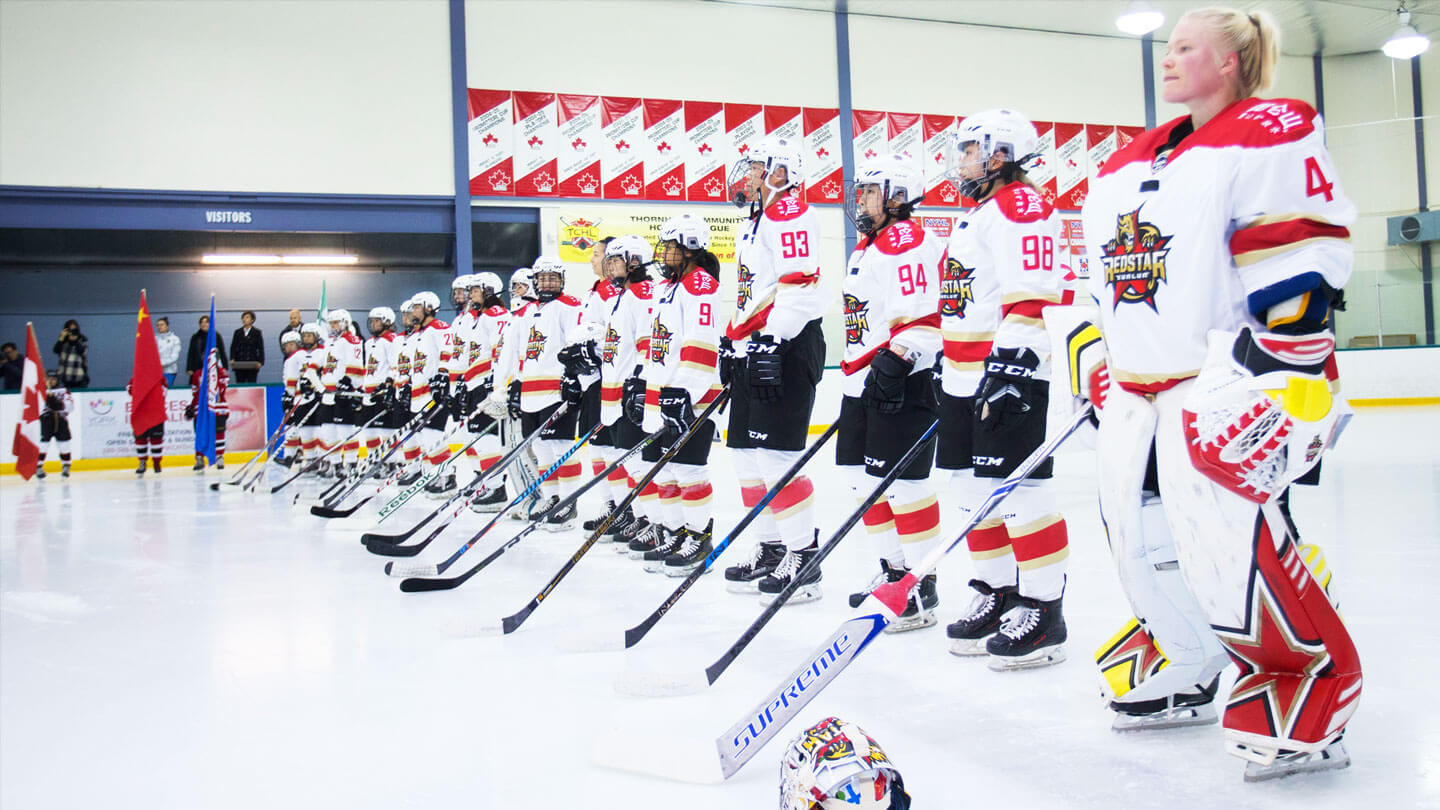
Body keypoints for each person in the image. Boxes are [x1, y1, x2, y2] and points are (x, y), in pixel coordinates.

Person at [1078, 7, 1358, 781]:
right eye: (1168, 48)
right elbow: (1097, 277)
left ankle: (1305, 680)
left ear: (1231, 62)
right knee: (1138, 542)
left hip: (1218, 388)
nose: (1167, 60)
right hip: (1136, 394)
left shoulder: (1271, 131)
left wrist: (1286, 382)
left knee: (1235, 550)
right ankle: (1187, 653)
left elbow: (1299, 261)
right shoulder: (1132, 157)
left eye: (1185, 48)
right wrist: (1093, 351)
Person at [936, 109, 1073, 667]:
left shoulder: (1021, 204)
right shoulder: (981, 213)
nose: (961, 160)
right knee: (970, 489)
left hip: (1008, 374)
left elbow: (1035, 293)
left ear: (999, 155)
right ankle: (996, 590)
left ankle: (1044, 607)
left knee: (1021, 493)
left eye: (970, 150)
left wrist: (1013, 363)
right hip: (964, 376)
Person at [828, 154, 944, 617]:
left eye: (871, 192)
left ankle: (921, 583)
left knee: (905, 486)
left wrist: (899, 361)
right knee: (863, 480)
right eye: (862, 192)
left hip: (902, 380)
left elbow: (922, 314)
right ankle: (895, 570)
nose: (862, 200)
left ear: (898, 197)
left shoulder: (905, 239)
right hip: (862, 379)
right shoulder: (868, 245)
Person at [717, 136, 828, 596]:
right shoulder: (755, 221)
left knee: (776, 457)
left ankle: (803, 557)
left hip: (786, 343)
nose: (749, 175)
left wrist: (771, 340)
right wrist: (733, 340)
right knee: (746, 456)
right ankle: (770, 546)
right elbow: (749, 292)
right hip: (755, 346)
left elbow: (799, 285)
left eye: (758, 167)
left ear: (782, 171)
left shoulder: (792, 212)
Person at [627, 215, 723, 574]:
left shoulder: (701, 284)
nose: (664, 253)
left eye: (670, 247)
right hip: (661, 391)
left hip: (690, 396)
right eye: (664, 247)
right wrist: (643, 382)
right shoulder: (669, 287)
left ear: (690, 249)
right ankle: (675, 530)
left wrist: (683, 390)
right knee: (661, 470)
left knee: (688, 470)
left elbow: (701, 343)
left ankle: (699, 538)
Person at [486, 257, 585, 529]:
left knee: (561, 446)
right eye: (543, 278)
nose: (548, 282)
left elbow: (576, 345)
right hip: (530, 392)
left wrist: (574, 379)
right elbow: (511, 353)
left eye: (554, 277)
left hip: (557, 391)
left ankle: (568, 501)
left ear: (562, 280)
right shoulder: (525, 314)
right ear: (536, 282)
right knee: (541, 450)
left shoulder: (570, 306)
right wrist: (504, 386)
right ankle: (552, 498)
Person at [587, 235, 656, 545]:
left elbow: (647, 345)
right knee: (624, 461)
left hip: (630, 393)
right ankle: (633, 513)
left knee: (639, 463)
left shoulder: (643, 295)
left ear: (634, 262)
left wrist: (639, 383)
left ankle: (649, 520)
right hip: (612, 394)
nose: (608, 266)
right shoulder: (622, 296)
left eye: (614, 260)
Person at [185, 361, 229, 471]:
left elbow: (221, 390)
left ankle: (219, 457)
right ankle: (199, 458)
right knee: (200, 434)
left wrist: (213, 377)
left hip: (218, 408)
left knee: (219, 433)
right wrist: (193, 405)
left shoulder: (222, 373)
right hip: (201, 409)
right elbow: (195, 392)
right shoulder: (197, 374)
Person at [35, 372, 73, 479]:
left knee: (64, 443)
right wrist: (49, 401)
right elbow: (38, 406)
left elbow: (70, 406)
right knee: (44, 442)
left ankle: (66, 465)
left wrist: (59, 404)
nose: (51, 381)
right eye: (49, 379)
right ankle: (38, 466)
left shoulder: (63, 390)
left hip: (61, 419)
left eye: (53, 379)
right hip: (47, 419)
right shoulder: (41, 391)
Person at [230, 310, 265, 383]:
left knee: (251, 383)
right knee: (240, 383)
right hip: (239, 363)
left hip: (252, 363)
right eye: (243, 318)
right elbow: (233, 347)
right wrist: (232, 358)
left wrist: (260, 362)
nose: (244, 319)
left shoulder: (257, 332)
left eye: (247, 317)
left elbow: (260, 348)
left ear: (252, 320)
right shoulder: (237, 332)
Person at [53, 319, 89, 389]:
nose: (72, 332)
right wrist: (61, 338)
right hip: (65, 378)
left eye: (74, 330)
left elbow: (82, 351)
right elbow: (56, 350)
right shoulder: (63, 341)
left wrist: (75, 341)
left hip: (79, 378)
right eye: (70, 330)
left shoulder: (82, 340)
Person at [155, 318, 182, 387]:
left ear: (167, 326)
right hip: (155, 371)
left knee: (165, 390)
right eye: (157, 325)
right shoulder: (154, 339)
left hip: (169, 371)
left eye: (162, 325)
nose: (159, 327)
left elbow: (174, 357)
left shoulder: (175, 339)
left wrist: (160, 363)